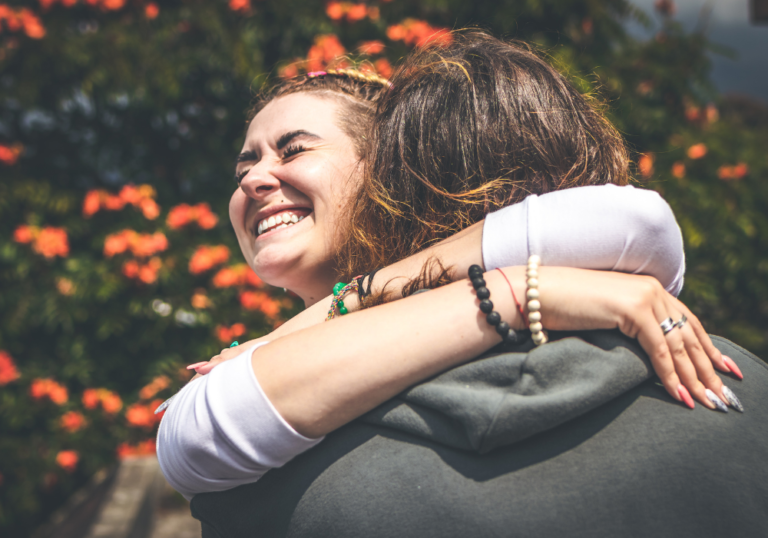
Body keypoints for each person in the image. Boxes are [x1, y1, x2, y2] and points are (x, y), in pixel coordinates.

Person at [158, 33, 754, 528]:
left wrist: (509, 291)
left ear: (386, 177)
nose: (255, 179)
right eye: (245, 163)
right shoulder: (741, 392)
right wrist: (519, 290)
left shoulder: (287, 475)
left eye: (293, 150)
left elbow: (633, 222)